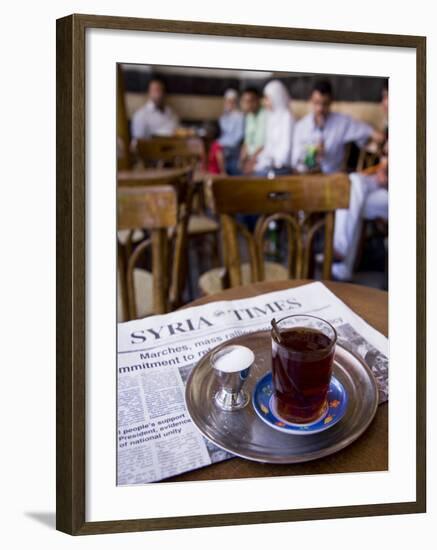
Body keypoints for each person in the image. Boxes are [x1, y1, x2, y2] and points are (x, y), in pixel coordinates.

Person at [332, 83, 389, 281]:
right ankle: (342, 267)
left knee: (352, 204)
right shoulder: (390, 127)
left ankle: (340, 259)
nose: (384, 104)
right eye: (383, 98)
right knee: (352, 181)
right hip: (383, 185)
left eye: (388, 98)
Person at [291, 80, 385, 173]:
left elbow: (363, 129)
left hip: (333, 176)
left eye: (325, 103)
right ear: (310, 99)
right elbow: (295, 160)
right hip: (306, 176)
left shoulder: (341, 122)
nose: (320, 108)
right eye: (317, 102)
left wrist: (375, 134)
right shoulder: (301, 126)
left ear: (331, 101)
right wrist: (312, 154)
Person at [253, 80, 295, 176]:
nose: (265, 102)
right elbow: (269, 146)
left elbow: (286, 150)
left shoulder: (287, 117)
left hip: (281, 166)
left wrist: (270, 163)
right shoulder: (271, 116)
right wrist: (261, 160)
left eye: (267, 98)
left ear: (277, 97)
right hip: (270, 164)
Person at [239, 87, 266, 174]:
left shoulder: (266, 116)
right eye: (244, 101)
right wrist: (242, 160)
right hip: (250, 158)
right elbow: (247, 142)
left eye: (249, 101)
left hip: (261, 159)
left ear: (257, 100)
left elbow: (264, 145)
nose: (246, 104)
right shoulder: (249, 116)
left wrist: (251, 162)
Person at [218, 89, 245, 174]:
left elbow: (239, 137)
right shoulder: (224, 117)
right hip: (225, 148)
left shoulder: (240, 116)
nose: (230, 104)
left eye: (232, 101)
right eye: (228, 101)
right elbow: (223, 134)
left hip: (234, 150)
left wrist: (222, 144)